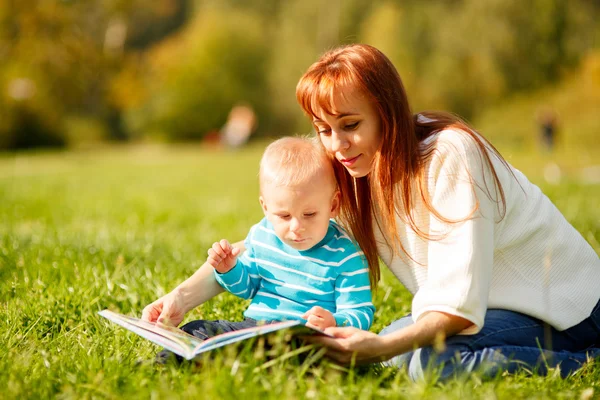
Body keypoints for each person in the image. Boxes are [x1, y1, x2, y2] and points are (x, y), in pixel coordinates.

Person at [143, 44, 600, 380]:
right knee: (398, 352)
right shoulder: (351, 172)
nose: (337, 146)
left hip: (564, 308)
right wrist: (181, 299)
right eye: (324, 130)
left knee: (425, 362)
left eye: (351, 126)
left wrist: (380, 343)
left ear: (386, 112)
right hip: (492, 308)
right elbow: (265, 242)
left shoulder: (450, 155)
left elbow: (459, 306)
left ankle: (585, 363)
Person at [150, 136, 375, 363]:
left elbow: (360, 313)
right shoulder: (263, 235)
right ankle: (165, 364)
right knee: (197, 329)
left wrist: (334, 322)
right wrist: (229, 269)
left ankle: (228, 361)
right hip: (254, 328)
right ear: (266, 208)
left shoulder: (346, 256)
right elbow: (247, 288)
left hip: (303, 338)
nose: (296, 228)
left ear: (333, 205)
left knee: (304, 357)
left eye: (310, 214)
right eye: (284, 216)